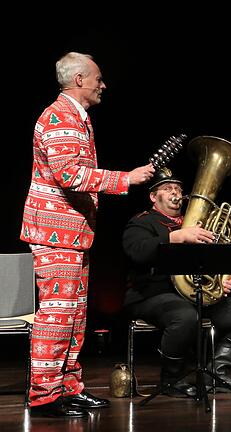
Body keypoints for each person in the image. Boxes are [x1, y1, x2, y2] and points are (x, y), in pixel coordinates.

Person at [19, 52, 155, 418]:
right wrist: (126, 179)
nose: (103, 84)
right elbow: (70, 175)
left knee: (75, 316)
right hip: (55, 234)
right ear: (79, 79)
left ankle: (68, 387)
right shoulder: (59, 116)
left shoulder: (79, 118)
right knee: (57, 316)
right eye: (98, 78)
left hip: (73, 234)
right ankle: (44, 396)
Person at [122, 168, 231, 397]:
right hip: (150, 295)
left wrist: (223, 279)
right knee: (186, 316)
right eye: (167, 189)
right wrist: (175, 237)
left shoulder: (197, 222)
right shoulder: (142, 222)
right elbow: (137, 252)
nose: (175, 193)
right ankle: (172, 380)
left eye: (178, 188)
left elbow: (213, 259)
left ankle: (215, 372)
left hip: (195, 294)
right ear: (153, 197)